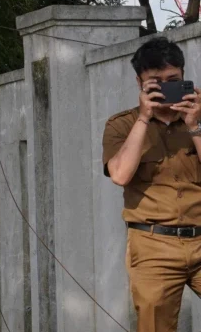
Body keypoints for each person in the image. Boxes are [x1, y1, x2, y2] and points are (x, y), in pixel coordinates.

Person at [102, 36, 201, 332]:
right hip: (152, 246)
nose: (166, 87)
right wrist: (144, 118)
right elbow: (119, 175)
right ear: (139, 83)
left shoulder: (200, 117)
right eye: (156, 82)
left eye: (173, 80)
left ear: (184, 76)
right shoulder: (121, 125)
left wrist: (195, 125)